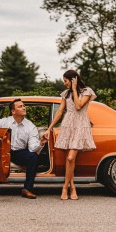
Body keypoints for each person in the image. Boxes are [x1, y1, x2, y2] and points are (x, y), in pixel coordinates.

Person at [43, 70, 96, 200]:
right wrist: (49, 128)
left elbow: (78, 106)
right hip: (68, 124)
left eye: (66, 81)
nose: (64, 83)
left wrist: (74, 89)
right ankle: (72, 187)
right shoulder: (65, 94)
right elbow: (60, 112)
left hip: (80, 124)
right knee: (68, 159)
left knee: (71, 157)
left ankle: (65, 187)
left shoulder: (87, 91)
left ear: (73, 80)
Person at [0, 98, 47, 199]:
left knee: (33, 156)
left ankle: (27, 189)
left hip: (19, 153)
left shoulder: (30, 126)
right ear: (13, 111)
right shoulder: (5, 122)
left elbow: (32, 148)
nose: (24, 108)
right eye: (20, 106)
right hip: (3, 151)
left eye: (23, 106)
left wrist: (41, 143)